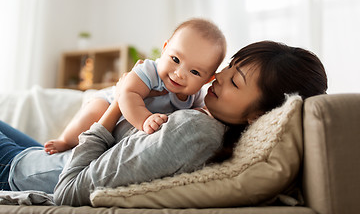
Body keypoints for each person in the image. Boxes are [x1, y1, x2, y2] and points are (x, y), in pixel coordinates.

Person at [0, 41, 327, 207]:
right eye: (228, 68)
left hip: (21, 171)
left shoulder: (192, 132)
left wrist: (120, 99)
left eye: (235, 82)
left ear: (258, 115)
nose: (218, 78)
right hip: (39, 157)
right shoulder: (206, 115)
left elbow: (70, 191)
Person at [44, 18, 226, 154]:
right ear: (164, 49)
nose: (179, 73)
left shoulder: (195, 95)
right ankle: (65, 141)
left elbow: (201, 111)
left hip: (126, 129)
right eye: (175, 59)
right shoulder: (149, 70)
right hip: (111, 102)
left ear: (207, 80)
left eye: (194, 72)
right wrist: (145, 119)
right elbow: (127, 94)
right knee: (94, 113)